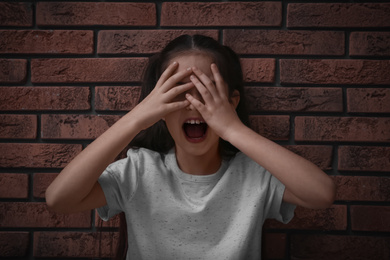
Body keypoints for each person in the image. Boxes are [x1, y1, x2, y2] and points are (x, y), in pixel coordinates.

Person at [45, 35, 335, 259]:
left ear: (231, 102)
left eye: (206, 91)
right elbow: (59, 199)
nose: (193, 104)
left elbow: (322, 194)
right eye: (179, 91)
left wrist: (232, 128)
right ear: (157, 107)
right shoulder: (139, 171)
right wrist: (136, 119)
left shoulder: (255, 175)